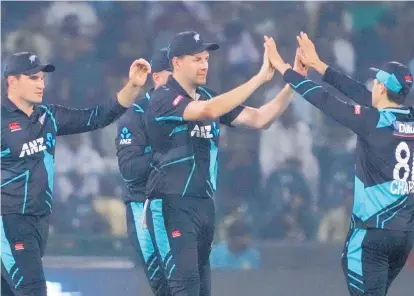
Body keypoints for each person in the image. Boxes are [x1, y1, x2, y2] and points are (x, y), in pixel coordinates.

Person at [144, 31, 307, 296]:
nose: (205, 64)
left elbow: (259, 119)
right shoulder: (163, 98)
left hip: (204, 205)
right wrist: (259, 78)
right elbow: (207, 112)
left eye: (206, 58)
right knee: (182, 288)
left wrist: (293, 84)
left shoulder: (208, 95)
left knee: (201, 289)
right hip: (172, 203)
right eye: (197, 59)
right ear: (176, 62)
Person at [265, 33, 414, 296]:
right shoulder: (408, 118)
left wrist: (285, 70)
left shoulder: (371, 121)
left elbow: (323, 100)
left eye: (375, 82)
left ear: (380, 87)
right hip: (404, 237)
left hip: (371, 235)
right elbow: (359, 93)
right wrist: (319, 65)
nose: (371, 86)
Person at [1, 51, 150, 296]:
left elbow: (97, 117)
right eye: (33, 78)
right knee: (33, 290)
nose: (41, 84)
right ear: (12, 81)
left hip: (38, 221)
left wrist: (133, 85)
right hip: (8, 221)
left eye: (41, 78)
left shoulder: (48, 116)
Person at [115, 48, 172, 296]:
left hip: (185, 206)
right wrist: (164, 153)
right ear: (158, 77)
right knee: (165, 286)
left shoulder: (197, 109)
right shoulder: (136, 114)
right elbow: (128, 170)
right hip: (145, 209)